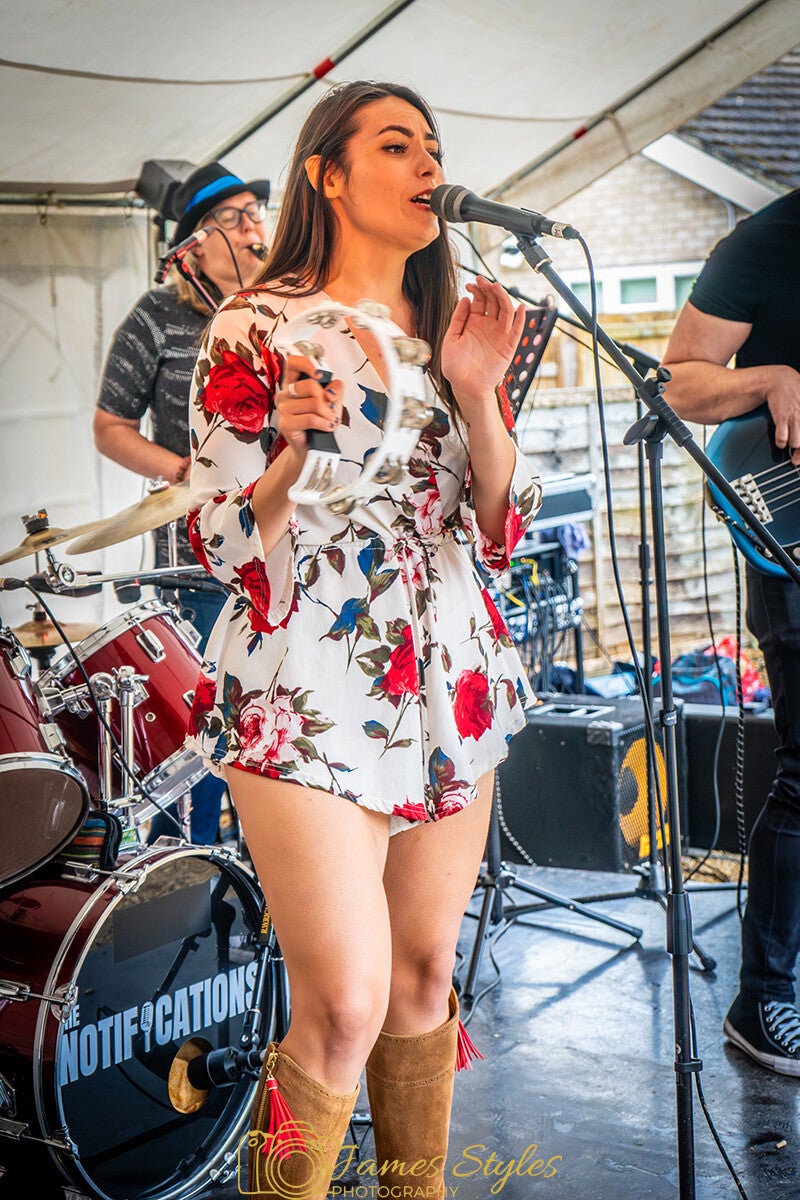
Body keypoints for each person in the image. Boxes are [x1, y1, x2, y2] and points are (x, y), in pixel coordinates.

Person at [184, 81, 543, 1197]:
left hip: (449, 678)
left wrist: (477, 394)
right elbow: (216, 539)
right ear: (327, 175)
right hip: (306, 679)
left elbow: (500, 527)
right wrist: (292, 459)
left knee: (423, 975)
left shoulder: (451, 327)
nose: (430, 165)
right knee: (344, 1004)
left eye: (434, 145)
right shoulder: (256, 325)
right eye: (397, 145)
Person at [662, 186, 800, 1077]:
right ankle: (764, 998)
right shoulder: (770, 239)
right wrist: (769, 379)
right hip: (792, 541)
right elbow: (676, 379)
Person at [93, 161, 269, 843]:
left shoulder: (283, 309)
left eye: (256, 213)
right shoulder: (156, 316)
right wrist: (182, 471)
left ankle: (268, 866)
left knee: (273, 716)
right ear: (194, 245)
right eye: (234, 218)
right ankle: (192, 861)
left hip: (280, 547)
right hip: (195, 556)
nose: (253, 228)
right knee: (201, 722)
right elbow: (110, 426)